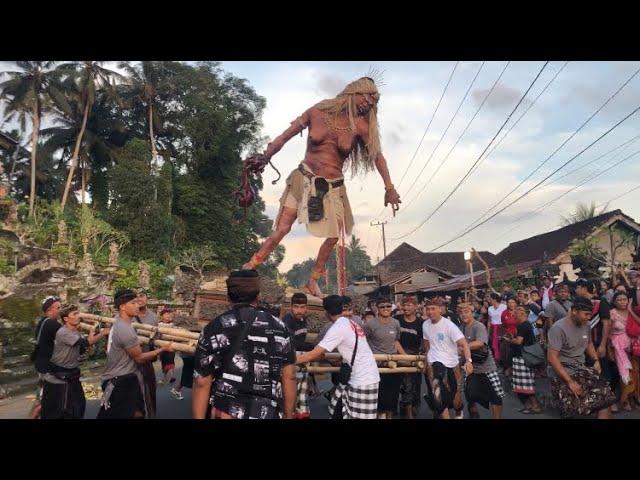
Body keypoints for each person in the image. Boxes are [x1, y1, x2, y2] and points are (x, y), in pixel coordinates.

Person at [241, 77, 401, 299]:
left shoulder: (362, 127)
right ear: (353, 93)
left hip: (333, 187)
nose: (369, 103)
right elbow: (284, 136)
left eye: (374, 102)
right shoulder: (317, 111)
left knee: (335, 235)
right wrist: (266, 156)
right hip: (302, 179)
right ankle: (251, 265)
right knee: (282, 228)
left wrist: (389, 187)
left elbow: (377, 157)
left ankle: (313, 281)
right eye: (367, 96)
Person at [192, 270, 297, 419]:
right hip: (268, 412)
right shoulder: (281, 328)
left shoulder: (213, 328)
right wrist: (288, 415)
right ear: (258, 296)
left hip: (227, 412)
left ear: (228, 297)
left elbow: (201, 381)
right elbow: (290, 376)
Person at [296, 295, 380, 419]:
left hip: (363, 381)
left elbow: (315, 353)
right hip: (359, 377)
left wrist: (289, 360)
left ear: (326, 312)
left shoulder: (338, 327)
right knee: (337, 411)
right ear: (341, 308)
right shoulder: (349, 322)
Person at [97, 289, 173, 419]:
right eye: (133, 303)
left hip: (119, 377)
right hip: (121, 380)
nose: (137, 305)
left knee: (136, 413)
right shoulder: (125, 329)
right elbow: (139, 358)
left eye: (137, 302)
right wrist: (163, 349)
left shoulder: (119, 323)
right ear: (122, 306)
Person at [547, 297, 616, 419]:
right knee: (574, 409)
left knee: (607, 398)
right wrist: (570, 382)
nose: (589, 317)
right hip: (563, 373)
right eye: (586, 314)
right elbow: (552, 358)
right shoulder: (558, 328)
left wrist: (596, 360)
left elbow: (588, 343)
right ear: (574, 311)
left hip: (581, 369)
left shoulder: (586, 325)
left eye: (590, 314)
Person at [41, 304, 109, 419]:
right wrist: (103, 333)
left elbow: (82, 349)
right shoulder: (63, 332)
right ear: (66, 319)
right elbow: (85, 343)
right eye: (75, 314)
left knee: (79, 405)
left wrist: (92, 333)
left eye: (78, 313)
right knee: (62, 410)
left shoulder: (75, 332)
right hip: (60, 377)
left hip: (72, 374)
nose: (78, 316)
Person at [422, 299, 473, 419]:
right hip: (433, 364)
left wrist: (468, 361)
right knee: (438, 396)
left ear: (440, 309)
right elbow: (427, 343)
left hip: (451, 365)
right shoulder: (425, 324)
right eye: (428, 309)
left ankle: (459, 411)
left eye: (433, 308)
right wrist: (426, 359)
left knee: (455, 398)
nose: (430, 312)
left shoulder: (449, 325)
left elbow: (464, 344)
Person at [459, 303, 504, 419]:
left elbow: (480, 343)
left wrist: (464, 346)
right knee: (470, 394)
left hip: (486, 367)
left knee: (496, 396)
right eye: (461, 312)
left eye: (466, 312)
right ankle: (473, 413)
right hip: (470, 367)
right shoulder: (461, 328)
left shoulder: (478, 326)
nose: (464, 315)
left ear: (472, 313)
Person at [364, 297, 405, 419]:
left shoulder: (395, 323)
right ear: (377, 308)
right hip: (376, 366)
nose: (386, 309)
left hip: (393, 364)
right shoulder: (370, 324)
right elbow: (363, 342)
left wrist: (406, 358)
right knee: (380, 396)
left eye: (388, 306)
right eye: (382, 306)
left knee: (393, 395)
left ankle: (390, 416)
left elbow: (396, 342)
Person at [29, 295, 62, 419]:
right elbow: (67, 336)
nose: (60, 310)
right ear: (49, 310)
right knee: (48, 400)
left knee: (41, 398)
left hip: (41, 365)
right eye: (57, 308)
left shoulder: (42, 322)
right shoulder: (52, 324)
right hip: (47, 367)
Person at [282, 292, 315, 418]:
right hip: (291, 362)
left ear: (306, 308)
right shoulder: (288, 320)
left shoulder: (302, 320)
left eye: (302, 307)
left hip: (301, 361)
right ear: (291, 307)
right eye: (296, 307)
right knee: (292, 395)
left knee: (301, 393)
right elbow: (291, 343)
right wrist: (311, 347)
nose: (299, 310)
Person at [507, 305, 543, 414]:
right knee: (521, 383)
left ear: (522, 314)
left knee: (526, 383)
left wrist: (509, 340)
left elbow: (518, 341)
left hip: (523, 357)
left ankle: (535, 405)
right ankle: (529, 406)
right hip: (521, 357)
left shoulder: (524, 325)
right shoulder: (524, 325)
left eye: (516, 313)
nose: (514, 316)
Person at [394, 295, 424, 418]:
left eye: (409, 305)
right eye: (404, 305)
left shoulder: (421, 323)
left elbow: (424, 341)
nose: (406, 308)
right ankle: (404, 410)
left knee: (414, 386)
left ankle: (411, 410)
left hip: (415, 357)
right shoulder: (396, 320)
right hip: (398, 356)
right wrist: (403, 355)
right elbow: (393, 339)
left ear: (416, 307)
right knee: (401, 386)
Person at [609, 291, 640, 410]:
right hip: (618, 347)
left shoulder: (632, 312)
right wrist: (608, 348)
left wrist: (631, 310)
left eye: (625, 299)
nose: (623, 302)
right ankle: (624, 400)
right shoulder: (612, 313)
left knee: (634, 372)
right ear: (614, 301)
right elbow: (608, 332)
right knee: (624, 373)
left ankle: (632, 397)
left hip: (633, 346)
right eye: (620, 300)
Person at [135, 290, 159, 417]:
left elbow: (156, 339)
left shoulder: (153, 317)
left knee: (150, 391)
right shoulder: (130, 315)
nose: (139, 299)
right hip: (131, 361)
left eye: (142, 296)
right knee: (134, 394)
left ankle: (150, 414)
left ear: (147, 299)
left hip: (147, 360)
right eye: (137, 296)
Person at [500, 297, 518, 375]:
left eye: (512, 302)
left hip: (518, 335)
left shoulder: (518, 312)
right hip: (507, 335)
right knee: (506, 352)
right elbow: (503, 325)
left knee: (516, 352)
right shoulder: (504, 313)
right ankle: (507, 367)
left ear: (516, 303)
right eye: (509, 302)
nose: (511, 304)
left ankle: (516, 368)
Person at [158, 309, 176, 385]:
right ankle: (167, 377)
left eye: (169, 314)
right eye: (166, 314)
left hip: (171, 347)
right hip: (162, 346)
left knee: (170, 363)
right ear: (162, 316)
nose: (168, 315)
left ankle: (166, 379)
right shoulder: (158, 324)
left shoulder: (172, 325)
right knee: (164, 362)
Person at [487, 293, 506, 365]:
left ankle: (503, 361)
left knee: (502, 344)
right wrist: (488, 331)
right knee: (494, 345)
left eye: (490, 299)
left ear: (494, 299)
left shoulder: (503, 306)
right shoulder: (490, 308)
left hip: (501, 327)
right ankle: (497, 360)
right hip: (493, 328)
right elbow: (489, 320)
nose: (489, 300)